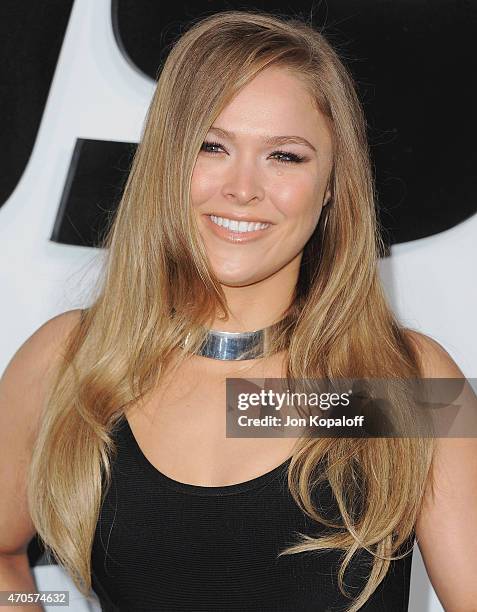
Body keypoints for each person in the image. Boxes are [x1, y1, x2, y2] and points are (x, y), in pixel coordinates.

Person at [1, 9, 476, 612]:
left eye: (284, 156)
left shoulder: (395, 385)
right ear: (167, 165)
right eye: (212, 145)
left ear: (332, 184)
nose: (242, 187)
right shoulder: (73, 361)